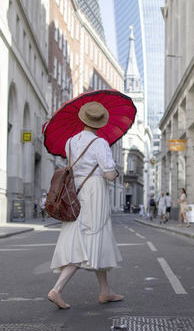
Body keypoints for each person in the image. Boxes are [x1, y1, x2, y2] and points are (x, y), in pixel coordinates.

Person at [48, 102, 123, 309]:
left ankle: (105, 290)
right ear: (100, 123)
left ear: (82, 120)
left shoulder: (71, 142)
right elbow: (108, 174)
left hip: (75, 191)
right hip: (94, 191)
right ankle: (57, 289)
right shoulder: (100, 143)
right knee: (88, 240)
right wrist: (114, 172)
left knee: (88, 238)